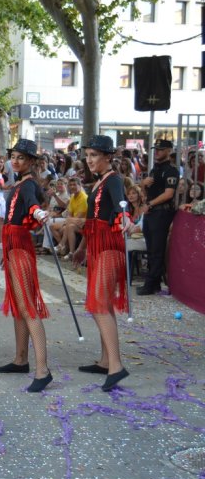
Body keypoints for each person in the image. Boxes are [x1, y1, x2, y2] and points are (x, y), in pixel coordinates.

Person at [0, 138, 52, 393]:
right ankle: (20, 360)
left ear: (31, 162)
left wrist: (39, 214)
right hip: (12, 246)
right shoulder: (19, 183)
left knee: (28, 307)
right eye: (13, 157)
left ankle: (43, 369)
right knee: (18, 306)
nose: (15, 161)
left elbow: (33, 206)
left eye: (21, 158)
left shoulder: (28, 185)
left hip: (20, 247)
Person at [72, 135, 130, 391]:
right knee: (102, 304)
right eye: (87, 155)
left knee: (98, 305)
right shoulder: (98, 182)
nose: (90, 160)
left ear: (108, 157)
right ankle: (107, 360)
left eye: (94, 155)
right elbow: (91, 220)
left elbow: (121, 205)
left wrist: (125, 217)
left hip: (109, 246)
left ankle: (116, 366)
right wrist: (82, 249)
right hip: (96, 246)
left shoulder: (114, 180)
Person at [137, 139, 178, 295]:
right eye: (156, 149)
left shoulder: (171, 170)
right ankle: (154, 283)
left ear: (169, 151)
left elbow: (169, 194)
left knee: (157, 249)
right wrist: (143, 184)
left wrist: (151, 204)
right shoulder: (154, 169)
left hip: (161, 212)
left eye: (161, 149)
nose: (157, 152)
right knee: (151, 248)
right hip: (151, 211)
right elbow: (147, 193)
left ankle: (151, 283)